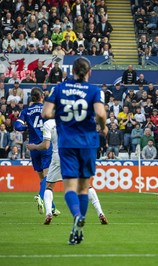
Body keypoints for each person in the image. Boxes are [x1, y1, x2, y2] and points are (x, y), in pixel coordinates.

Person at [42, 57, 108, 245]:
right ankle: (78, 229)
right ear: (89, 72)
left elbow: (46, 113)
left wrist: (62, 113)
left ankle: (77, 216)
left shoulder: (59, 88)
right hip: (88, 143)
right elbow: (101, 114)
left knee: (69, 187)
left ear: (71, 71)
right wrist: (102, 127)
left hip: (67, 142)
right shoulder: (95, 90)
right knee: (84, 187)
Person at [27, 119, 108, 225]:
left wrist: (34, 147)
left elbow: (45, 146)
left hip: (58, 156)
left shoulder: (49, 124)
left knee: (49, 186)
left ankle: (48, 213)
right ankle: (100, 213)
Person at [14, 88, 52, 215]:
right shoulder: (47, 109)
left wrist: (28, 127)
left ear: (32, 98)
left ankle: (51, 207)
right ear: (42, 96)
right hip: (45, 145)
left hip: (33, 147)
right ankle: (40, 197)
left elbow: (17, 126)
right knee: (48, 177)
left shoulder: (26, 111)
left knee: (42, 178)